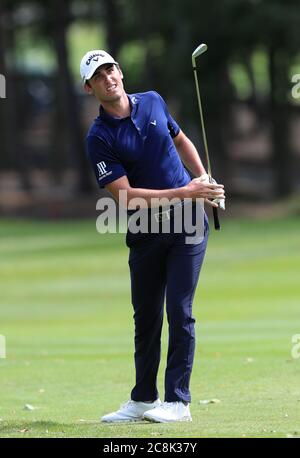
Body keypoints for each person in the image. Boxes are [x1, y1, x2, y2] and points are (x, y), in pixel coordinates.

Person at [80, 50, 225, 423]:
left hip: (189, 224)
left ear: (121, 72)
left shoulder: (154, 102)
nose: (108, 77)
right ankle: (144, 399)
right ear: (89, 87)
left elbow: (181, 141)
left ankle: (178, 401)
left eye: (111, 69)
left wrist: (203, 179)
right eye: (99, 75)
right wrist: (187, 191)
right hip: (145, 229)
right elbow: (125, 196)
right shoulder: (99, 137)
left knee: (179, 310)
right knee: (145, 318)